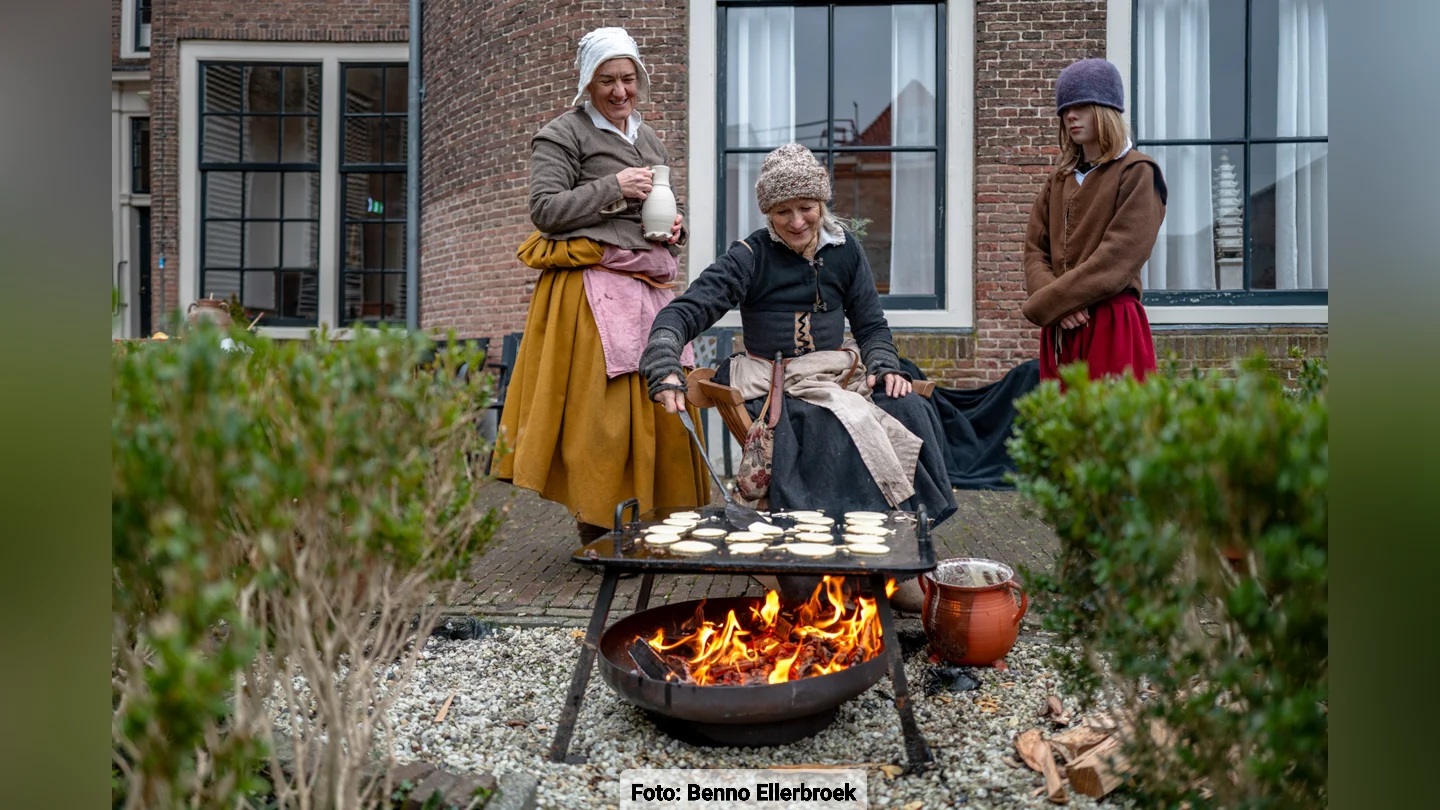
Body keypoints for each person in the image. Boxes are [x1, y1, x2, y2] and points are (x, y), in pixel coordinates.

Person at [639, 143, 957, 525]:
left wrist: (885, 364)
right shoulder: (749, 256)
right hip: (776, 384)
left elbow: (871, 325)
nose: (796, 222)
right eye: (781, 211)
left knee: (908, 405)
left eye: (805, 207)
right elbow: (682, 313)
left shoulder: (846, 251)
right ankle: (837, 532)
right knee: (826, 423)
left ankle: (905, 527)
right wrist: (663, 363)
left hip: (837, 372)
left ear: (821, 203)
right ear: (768, 213)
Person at [493, 27, 708, 546]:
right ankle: (599, 525)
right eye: (607, 80)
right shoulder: (562, 135)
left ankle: (658, 519)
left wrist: (677, 228)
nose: (619, 91)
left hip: (649, 287)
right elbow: (545, 211)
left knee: (662, 397)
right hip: (592, 290)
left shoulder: (648, 138)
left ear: (640, 80)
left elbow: (659, 214)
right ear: (588, 84)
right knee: (603, 416)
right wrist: (613, 187)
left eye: (628, 79)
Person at [1021, 57, 1168, 384]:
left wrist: (1052, 303)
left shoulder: (1137, 173)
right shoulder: (1057, 180)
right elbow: (1035, 252)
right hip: (1061, 329)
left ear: (1105, 110)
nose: (1070, 115)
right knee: (1062, 428)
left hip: (1111, 324)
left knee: (1113, 428)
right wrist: (1058, 308)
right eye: (1065, 109)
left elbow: (1116, 259)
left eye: (1082, 106)